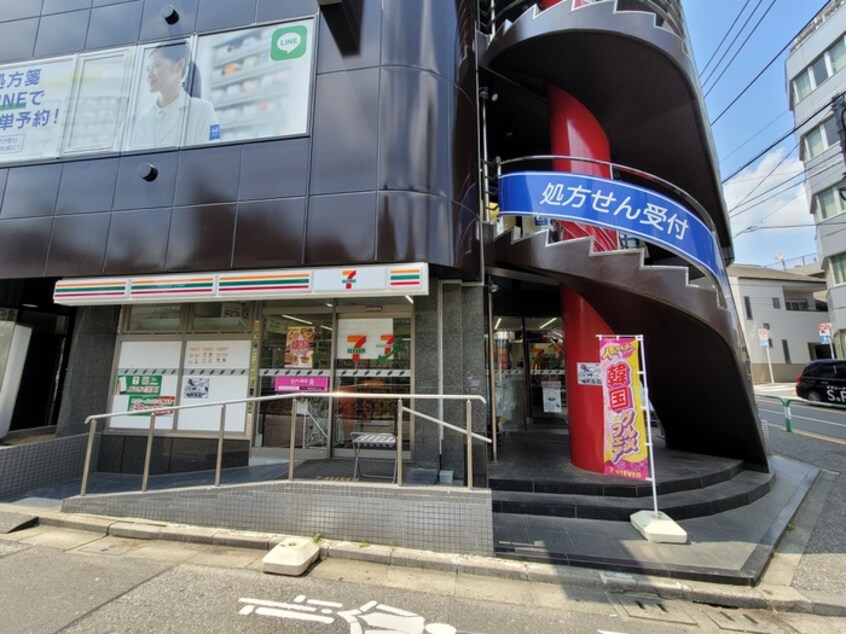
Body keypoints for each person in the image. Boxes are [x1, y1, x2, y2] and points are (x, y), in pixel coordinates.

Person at [127, 42, 219, 149]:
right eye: (148, 69)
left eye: (156, 65)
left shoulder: (202, 110)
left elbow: (209, 155)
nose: (149, 75)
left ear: (178, 66)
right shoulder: (132, 122)